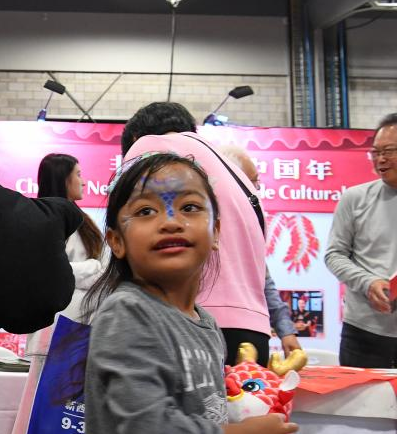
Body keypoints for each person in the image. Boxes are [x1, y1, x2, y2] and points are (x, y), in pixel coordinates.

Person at [79, 153, 300, 434]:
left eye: (190, 207)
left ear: (216, 232)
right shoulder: (127, 313)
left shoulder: (207, 326)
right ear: (117, 241)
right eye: (146, 211)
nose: (170, 221)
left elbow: (202, 422)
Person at [121, 102, 272, 366]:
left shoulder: (150, 146)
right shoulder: (237, 173)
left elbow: (125, 225)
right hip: (253, 331)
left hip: (186, 323)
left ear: (135, 137)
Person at [325, 112, 397, 367]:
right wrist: (368, 282)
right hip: (363, 333)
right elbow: (334, 255)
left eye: (389, 151)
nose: (381, 159)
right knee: (359, 395)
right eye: (376, 152)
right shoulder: (355, 198)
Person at [219, 144, 301, 357]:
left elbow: (263, 280)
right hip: (212, 331)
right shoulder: (205, 220)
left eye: (257, 182)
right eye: (252, 182)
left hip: (251, 331)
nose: (256, 189)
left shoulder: (252, 221)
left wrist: (286, 330)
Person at [36, 153, 108, 323]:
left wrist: (93, 270)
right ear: (63, 179)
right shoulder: (41, 222)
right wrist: (92, 266)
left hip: (86, 319)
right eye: (78, 174)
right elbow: (48, 272)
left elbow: (104, 270)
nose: (83, 182)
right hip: (56, 322)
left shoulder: (84, 222)